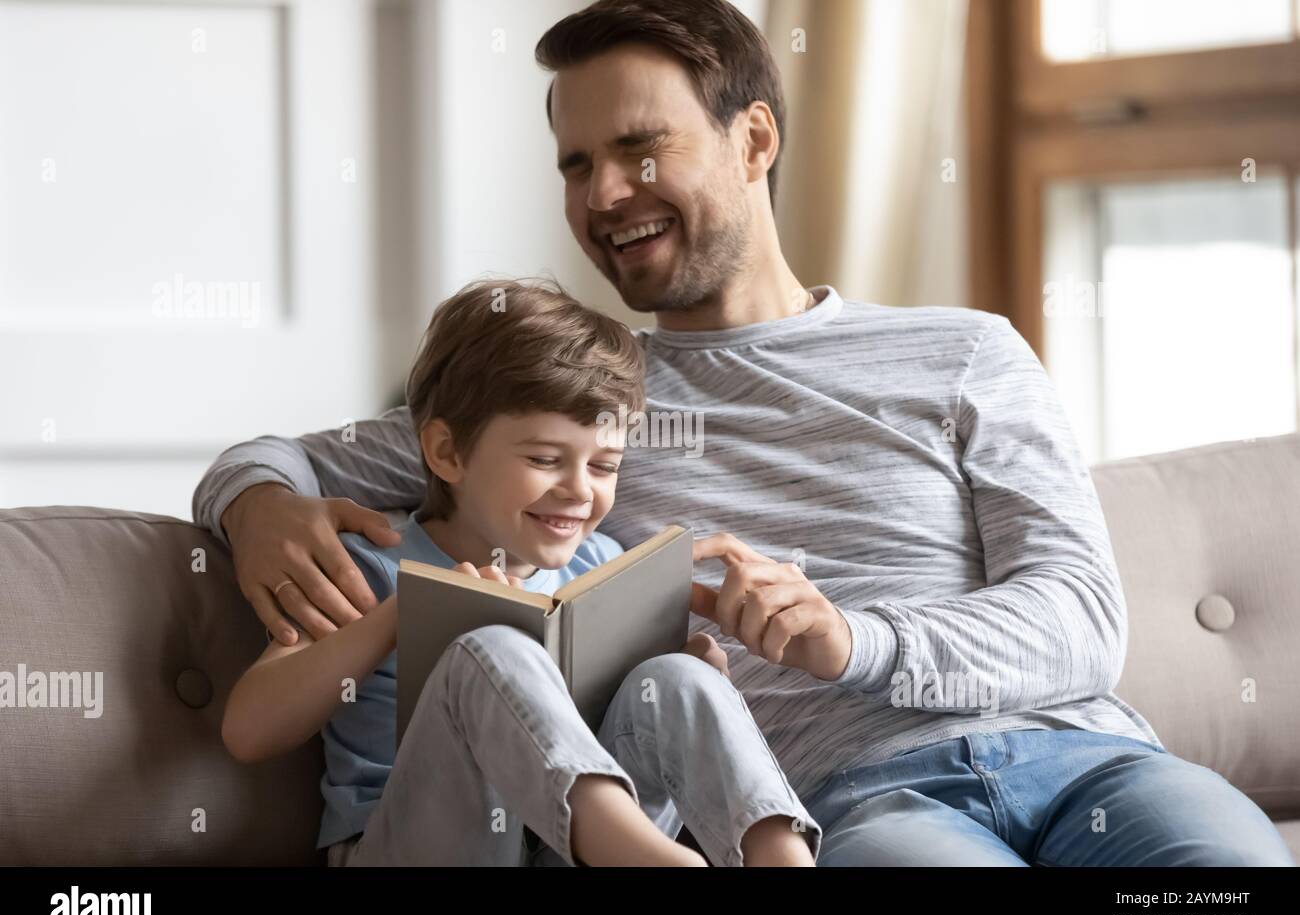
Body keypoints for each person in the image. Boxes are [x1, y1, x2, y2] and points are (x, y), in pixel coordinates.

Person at [198, 0, 1294, 866]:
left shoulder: (965, 352)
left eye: (638, 147)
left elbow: (1080, 620)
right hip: (856, 801)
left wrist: (849, 641)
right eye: (576, 163)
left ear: (754, 137)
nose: (604, 193)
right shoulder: (574, 404)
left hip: (1098, 760)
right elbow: (283, 456)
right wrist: (255, 506)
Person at [219, 278, 819, 866]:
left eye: (604, 465)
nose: (579, 491)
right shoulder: (368, 567)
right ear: (448, 453)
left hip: (551, 849)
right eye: (544, 459)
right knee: (489, 645)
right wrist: (406, 614)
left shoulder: (600, 566)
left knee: (675, 677)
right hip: (417, 844)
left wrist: (696, 673)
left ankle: (778, 855)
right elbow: (249, 730)